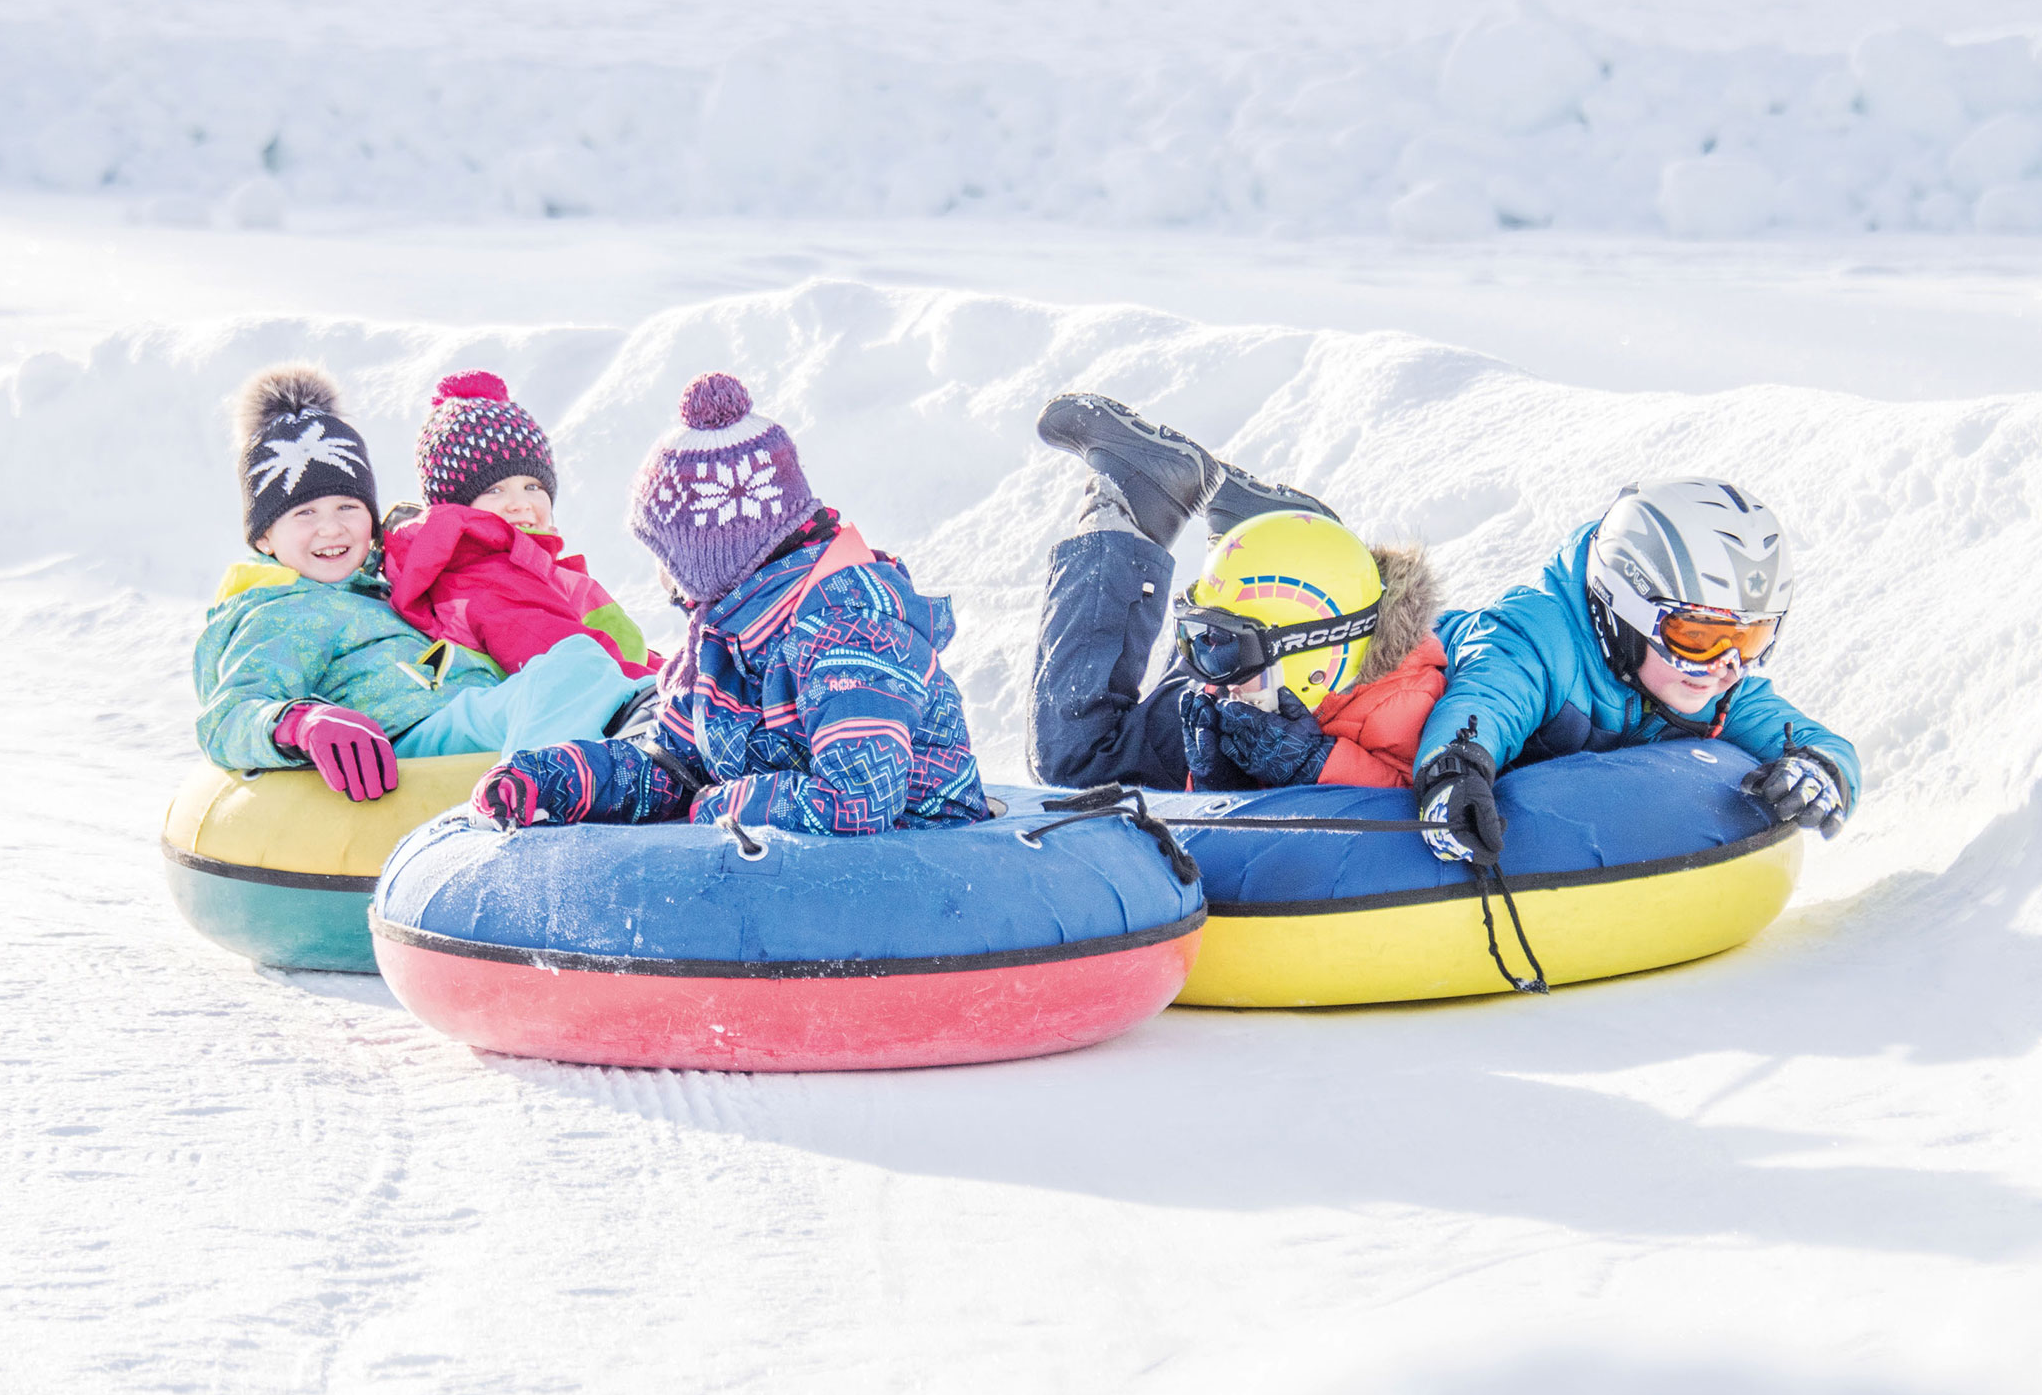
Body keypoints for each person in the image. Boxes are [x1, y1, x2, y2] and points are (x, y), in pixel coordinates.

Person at [469, 373, 989, 836]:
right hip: (796, 883)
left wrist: (719, 803)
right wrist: (555, 780)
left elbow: (857, 804)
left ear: (711, 555)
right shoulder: (726, 641)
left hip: (919, 882)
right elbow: (669, 769)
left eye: (664, 553)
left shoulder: (850, 633)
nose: (662, 574)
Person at [192, 365, 635, 802]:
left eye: (348, 508)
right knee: (574, 664)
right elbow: (229, 714)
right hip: (408, 740)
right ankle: (538, 806)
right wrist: (302, 723)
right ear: (265, 536)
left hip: (464, 720)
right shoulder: (277, 611)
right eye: (305, 513)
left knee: (584, 665)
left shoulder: (386, 590)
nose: (331, 530)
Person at [1412, 478, 1862, 864]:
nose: (1725, 666)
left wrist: (1820, 769)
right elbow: (1486, 702)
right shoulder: (1536, 639)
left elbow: (1814, 741)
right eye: (1698, 637)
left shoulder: (1713, 687)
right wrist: (1454, 773)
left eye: (1749, 641)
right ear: (1624, 615)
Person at [1028, 392, 1447, 793]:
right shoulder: (1274, 679)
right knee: (1081, 758)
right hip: (1264, 693)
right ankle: (1259, 540)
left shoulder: (1402, 713)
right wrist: (1218, 781)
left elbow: (1410, 820)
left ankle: (1135, 506)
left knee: (1073, 764)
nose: (1205, 673)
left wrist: (1310, 767)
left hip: (1274, 702)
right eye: (1197, 638)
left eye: (1216, 645)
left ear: (1313, 655)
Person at [383, 370, 656, 679]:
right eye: (494, 490)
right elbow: (574, 666)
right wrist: (666, 692)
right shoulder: (487, 580)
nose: (520, 503)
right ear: (453, 506)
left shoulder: (524, 564)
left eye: (533, 487)